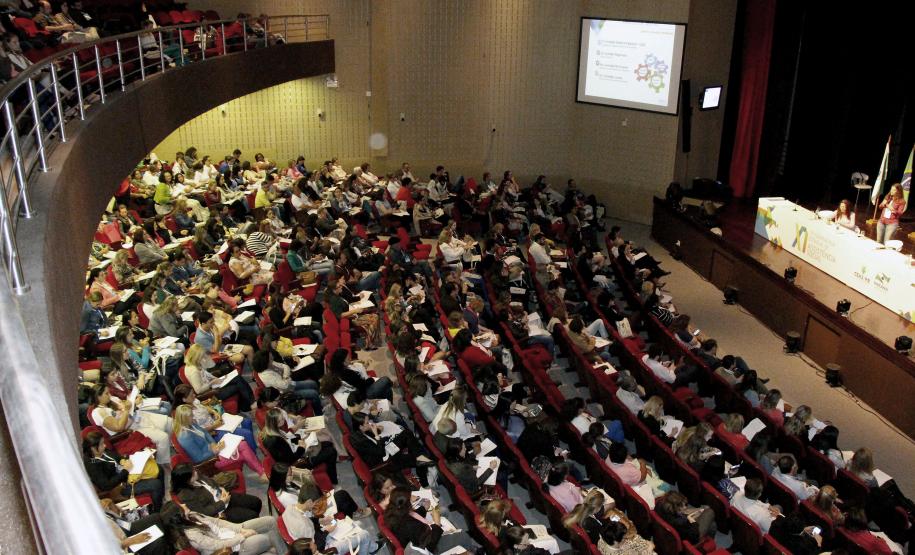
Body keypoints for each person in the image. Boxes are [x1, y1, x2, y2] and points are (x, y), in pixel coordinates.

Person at [281, 478, 377, 554]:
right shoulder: (304, 528)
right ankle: (373, 548)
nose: (316, 505)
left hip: (317, 535)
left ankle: (373, 548)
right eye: (316, 502)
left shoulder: (290, 508)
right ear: (309, 501)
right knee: (364, 534)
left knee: (351, 525)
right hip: (325, 546)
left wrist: (319, 521)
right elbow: (318, 547)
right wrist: (327, 531)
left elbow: (306, 519)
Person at [173, 405, 266, 479]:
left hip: (214, 449)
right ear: (184, 419)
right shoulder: (185, 437)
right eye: (190, 416)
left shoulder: (191, 424)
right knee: (244, 453)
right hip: (211, 460)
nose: (193, 417)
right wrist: (215, 450)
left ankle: (261, 472)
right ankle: (261, 472)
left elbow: (205, 433)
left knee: (243, 444)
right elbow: (198, 458)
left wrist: (213, 443)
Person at [159, 501, 286, 555]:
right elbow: (217, 545)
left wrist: (239, 529)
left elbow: (217, 522)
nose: (184, 504)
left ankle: (280, 549)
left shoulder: (192, 515)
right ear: (179, 516)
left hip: (231, 533)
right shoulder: (191, 535)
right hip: (232, 548)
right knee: (270, 536)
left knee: (271, 520)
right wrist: (242, 536)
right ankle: (283, 551)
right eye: (181, 506)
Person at [87, 384, 172, 465]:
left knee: (169, 422)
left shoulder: (111, 400)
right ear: (98, 397)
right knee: (163, 437)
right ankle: (163, 465)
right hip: (130, 430)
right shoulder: (98, 412)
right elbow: (118, 427)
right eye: (106, 393)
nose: (110, 395)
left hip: (137, 417)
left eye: (109, 392)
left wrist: (134, 402)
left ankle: (171, 447)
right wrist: (127, 409)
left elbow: (125, 405)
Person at [82, 431, 164, 511]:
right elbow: (107, 485)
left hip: (127, 473)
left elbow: (116, 456)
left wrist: (123, 460)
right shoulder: (92, 465)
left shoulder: (101, 451)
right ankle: (157, 511)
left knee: (159, 469)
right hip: (119, 487)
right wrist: (125, 470)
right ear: (93, 448)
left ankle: (159, 499)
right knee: (156, 484)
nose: (105, 445)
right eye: (101, 444)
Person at [260, 408, 339, 484]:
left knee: (327, 444)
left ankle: (330, 478)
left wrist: (300, 439)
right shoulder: (275, 440)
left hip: (294, 455)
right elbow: (290, 460)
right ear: (274, 423)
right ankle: (333, 481)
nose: (283, 421)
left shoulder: (271, 431)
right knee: (331, 452)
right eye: (280, 420)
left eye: (282, 418)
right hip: (295, 465)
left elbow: (288, 441)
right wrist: (302, 448)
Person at [170, 463, 262, 523]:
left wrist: (222, 489)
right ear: (186, 479)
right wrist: (222, 502)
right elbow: (204, 512)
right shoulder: (186, 495)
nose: (196, 472)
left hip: (223, 497)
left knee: (256, 502)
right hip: (219, 511)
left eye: (194, 470)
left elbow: (213, 483)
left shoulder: (197, 476)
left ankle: (252, 523)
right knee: (252, 515)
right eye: (193, 473)